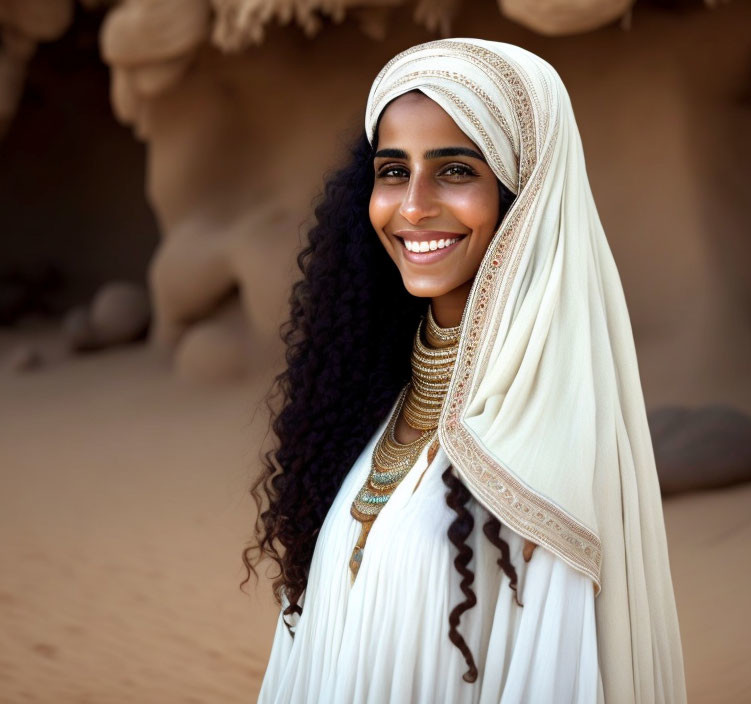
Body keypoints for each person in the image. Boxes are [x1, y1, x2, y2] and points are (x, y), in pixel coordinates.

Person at [244, 38, 687, 703]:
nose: (414, 205)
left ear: (523, 195)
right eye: (393, 171)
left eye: (454, 170)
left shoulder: (546, 441)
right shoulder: (366, 410)